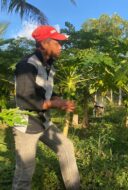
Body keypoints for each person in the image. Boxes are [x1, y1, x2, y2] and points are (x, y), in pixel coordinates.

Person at [13, 25, 80, 190]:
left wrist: (58, 99)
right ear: (44, 44)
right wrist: (54, 104)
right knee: (25, 172)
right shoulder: (27, 65)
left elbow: (43, 90)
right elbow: (25, 100)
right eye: (57, 43)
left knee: (65, 147)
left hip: (42, 121)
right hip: (26, 124)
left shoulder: (48, 64)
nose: (61, 47)